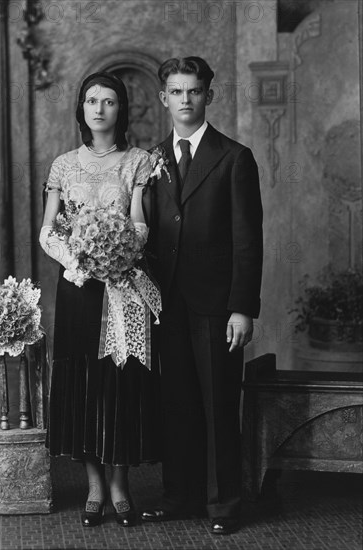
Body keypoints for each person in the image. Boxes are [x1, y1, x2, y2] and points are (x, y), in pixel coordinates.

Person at [141, 57, 263, 535]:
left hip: (216, 305)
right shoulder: (151, 160)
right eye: (177, 91)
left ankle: (223, 505)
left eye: (194, 91)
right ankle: (180, 495)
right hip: (165, 301)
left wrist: (241, 308)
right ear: (164, 97)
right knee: (176, 405)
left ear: (208, 95)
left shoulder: (234, 157)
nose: (185, 99)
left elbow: (247, 240)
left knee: (216, 405)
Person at [39, 72, 161, 528]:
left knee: (121, 380)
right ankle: (93, 484)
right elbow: (48, 230)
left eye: (109, 101)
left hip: (124, 285)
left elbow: (141, 224)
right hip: (78, 290)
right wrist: (81, 258)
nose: (99, 108)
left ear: (120, 109)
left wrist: (120, 252)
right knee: (84, 379)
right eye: (92, 100)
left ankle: (119, 484)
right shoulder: (64, 165)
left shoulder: (139, 162)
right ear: (82, 108)